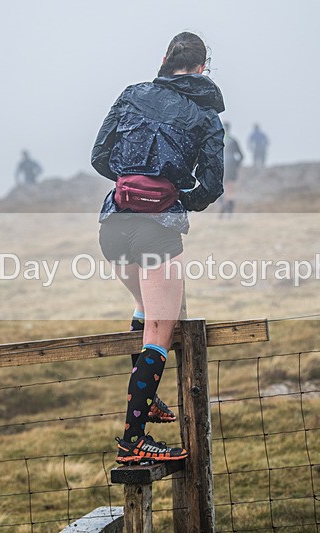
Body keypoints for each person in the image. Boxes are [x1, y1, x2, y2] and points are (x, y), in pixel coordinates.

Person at [91, 31, 225, 464]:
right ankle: (133, 440)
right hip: (157, 231)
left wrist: (134, 183)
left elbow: (99, 156)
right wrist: (173, 197)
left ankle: (145, 399)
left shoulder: (132, 94)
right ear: (203, 68)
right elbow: (213, 186)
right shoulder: (206, 117)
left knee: (147, 311)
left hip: (112, 223)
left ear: (165, 59)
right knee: (159, 334)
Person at [220, 122, 244, 217]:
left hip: (222, 168)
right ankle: (229, 212)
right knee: (230, 190)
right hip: (231, 168)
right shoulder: (233, 140)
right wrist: (236, 165)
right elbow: (241, 156)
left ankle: (223, 208)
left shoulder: (217, 139)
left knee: (223, 189)